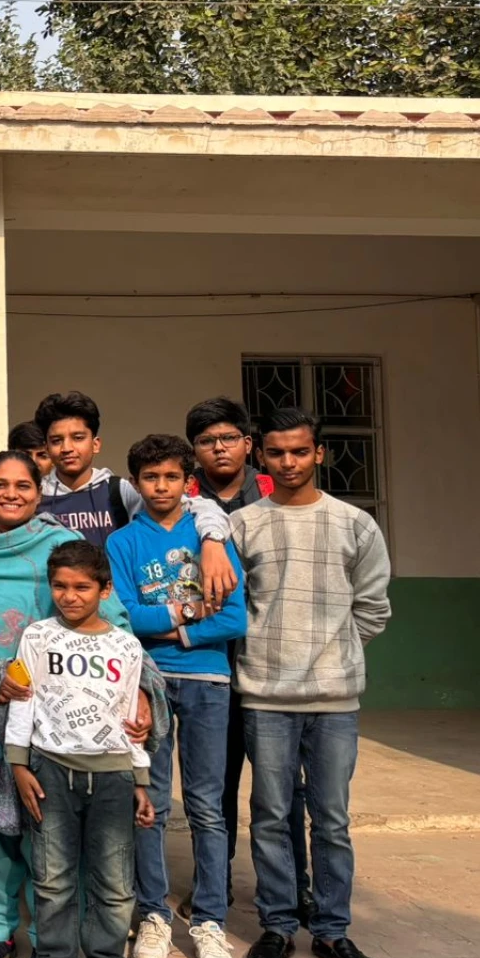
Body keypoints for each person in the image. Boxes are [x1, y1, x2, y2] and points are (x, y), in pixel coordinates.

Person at [0, 450, 151, 958]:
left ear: (39, 489)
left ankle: (53, 940)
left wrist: (142, 691)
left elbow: (112, 624)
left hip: (56, 719)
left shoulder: (60, 546)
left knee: (48, 828)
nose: (11, 494)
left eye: (23, 485)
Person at [231, 409, 392, 958]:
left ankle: (331, 930)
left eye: (300, 451)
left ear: (318, 454)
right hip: (266, 694)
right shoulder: (243, 524)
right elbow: (229, 604)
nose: (289, 462)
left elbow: (373, 607)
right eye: (277, 453)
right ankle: (277, 924)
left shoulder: (354, 524)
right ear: (262, 458)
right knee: (271, 815)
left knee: (331, 819)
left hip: (334, 699)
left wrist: (334, 650)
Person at [106, 434, 246, 958]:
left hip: (210, 680)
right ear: (136, 483)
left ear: (187, 481)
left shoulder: (211, 535)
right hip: (148, 683)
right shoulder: (123, 542)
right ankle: (154, 915)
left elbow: (234, 618)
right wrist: (192, 607)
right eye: (149, 478)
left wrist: (168, 624)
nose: (160, 487)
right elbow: (122, 616)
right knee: (152, 803)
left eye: (170, 477)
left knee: (208, 805)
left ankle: (210, 921)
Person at [6, 542, 154, 958]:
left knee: (114, 881)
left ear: (105, 589)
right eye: (60, 587)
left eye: (82, 587)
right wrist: (19, 764)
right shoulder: (37, 637)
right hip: (51, 770)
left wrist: (141, 780)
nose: (70, 596)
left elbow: (132, 717)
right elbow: (23, 700)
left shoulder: (126, 646)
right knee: (52, 877)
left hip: (112, 774)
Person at [184, 396, 308, 924]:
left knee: (282, 788)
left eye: (229, 438)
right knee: (216, 784)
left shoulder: (273, 494)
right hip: (210, 666)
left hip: (270, 666)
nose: (219, 449)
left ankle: (295, 889)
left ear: (248, 444)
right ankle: (216, 885)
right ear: (195, 451)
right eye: (208, 441)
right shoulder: (181, 500)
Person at [33, 392, 238, 605]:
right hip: (57, 609)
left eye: (78, 437)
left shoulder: (117, 490)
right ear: (46, 448)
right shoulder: (37, 498)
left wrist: (213, 540)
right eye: (57, 440)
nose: (67, 448)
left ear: (96, 444)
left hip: (116, 611)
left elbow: (195, 506)